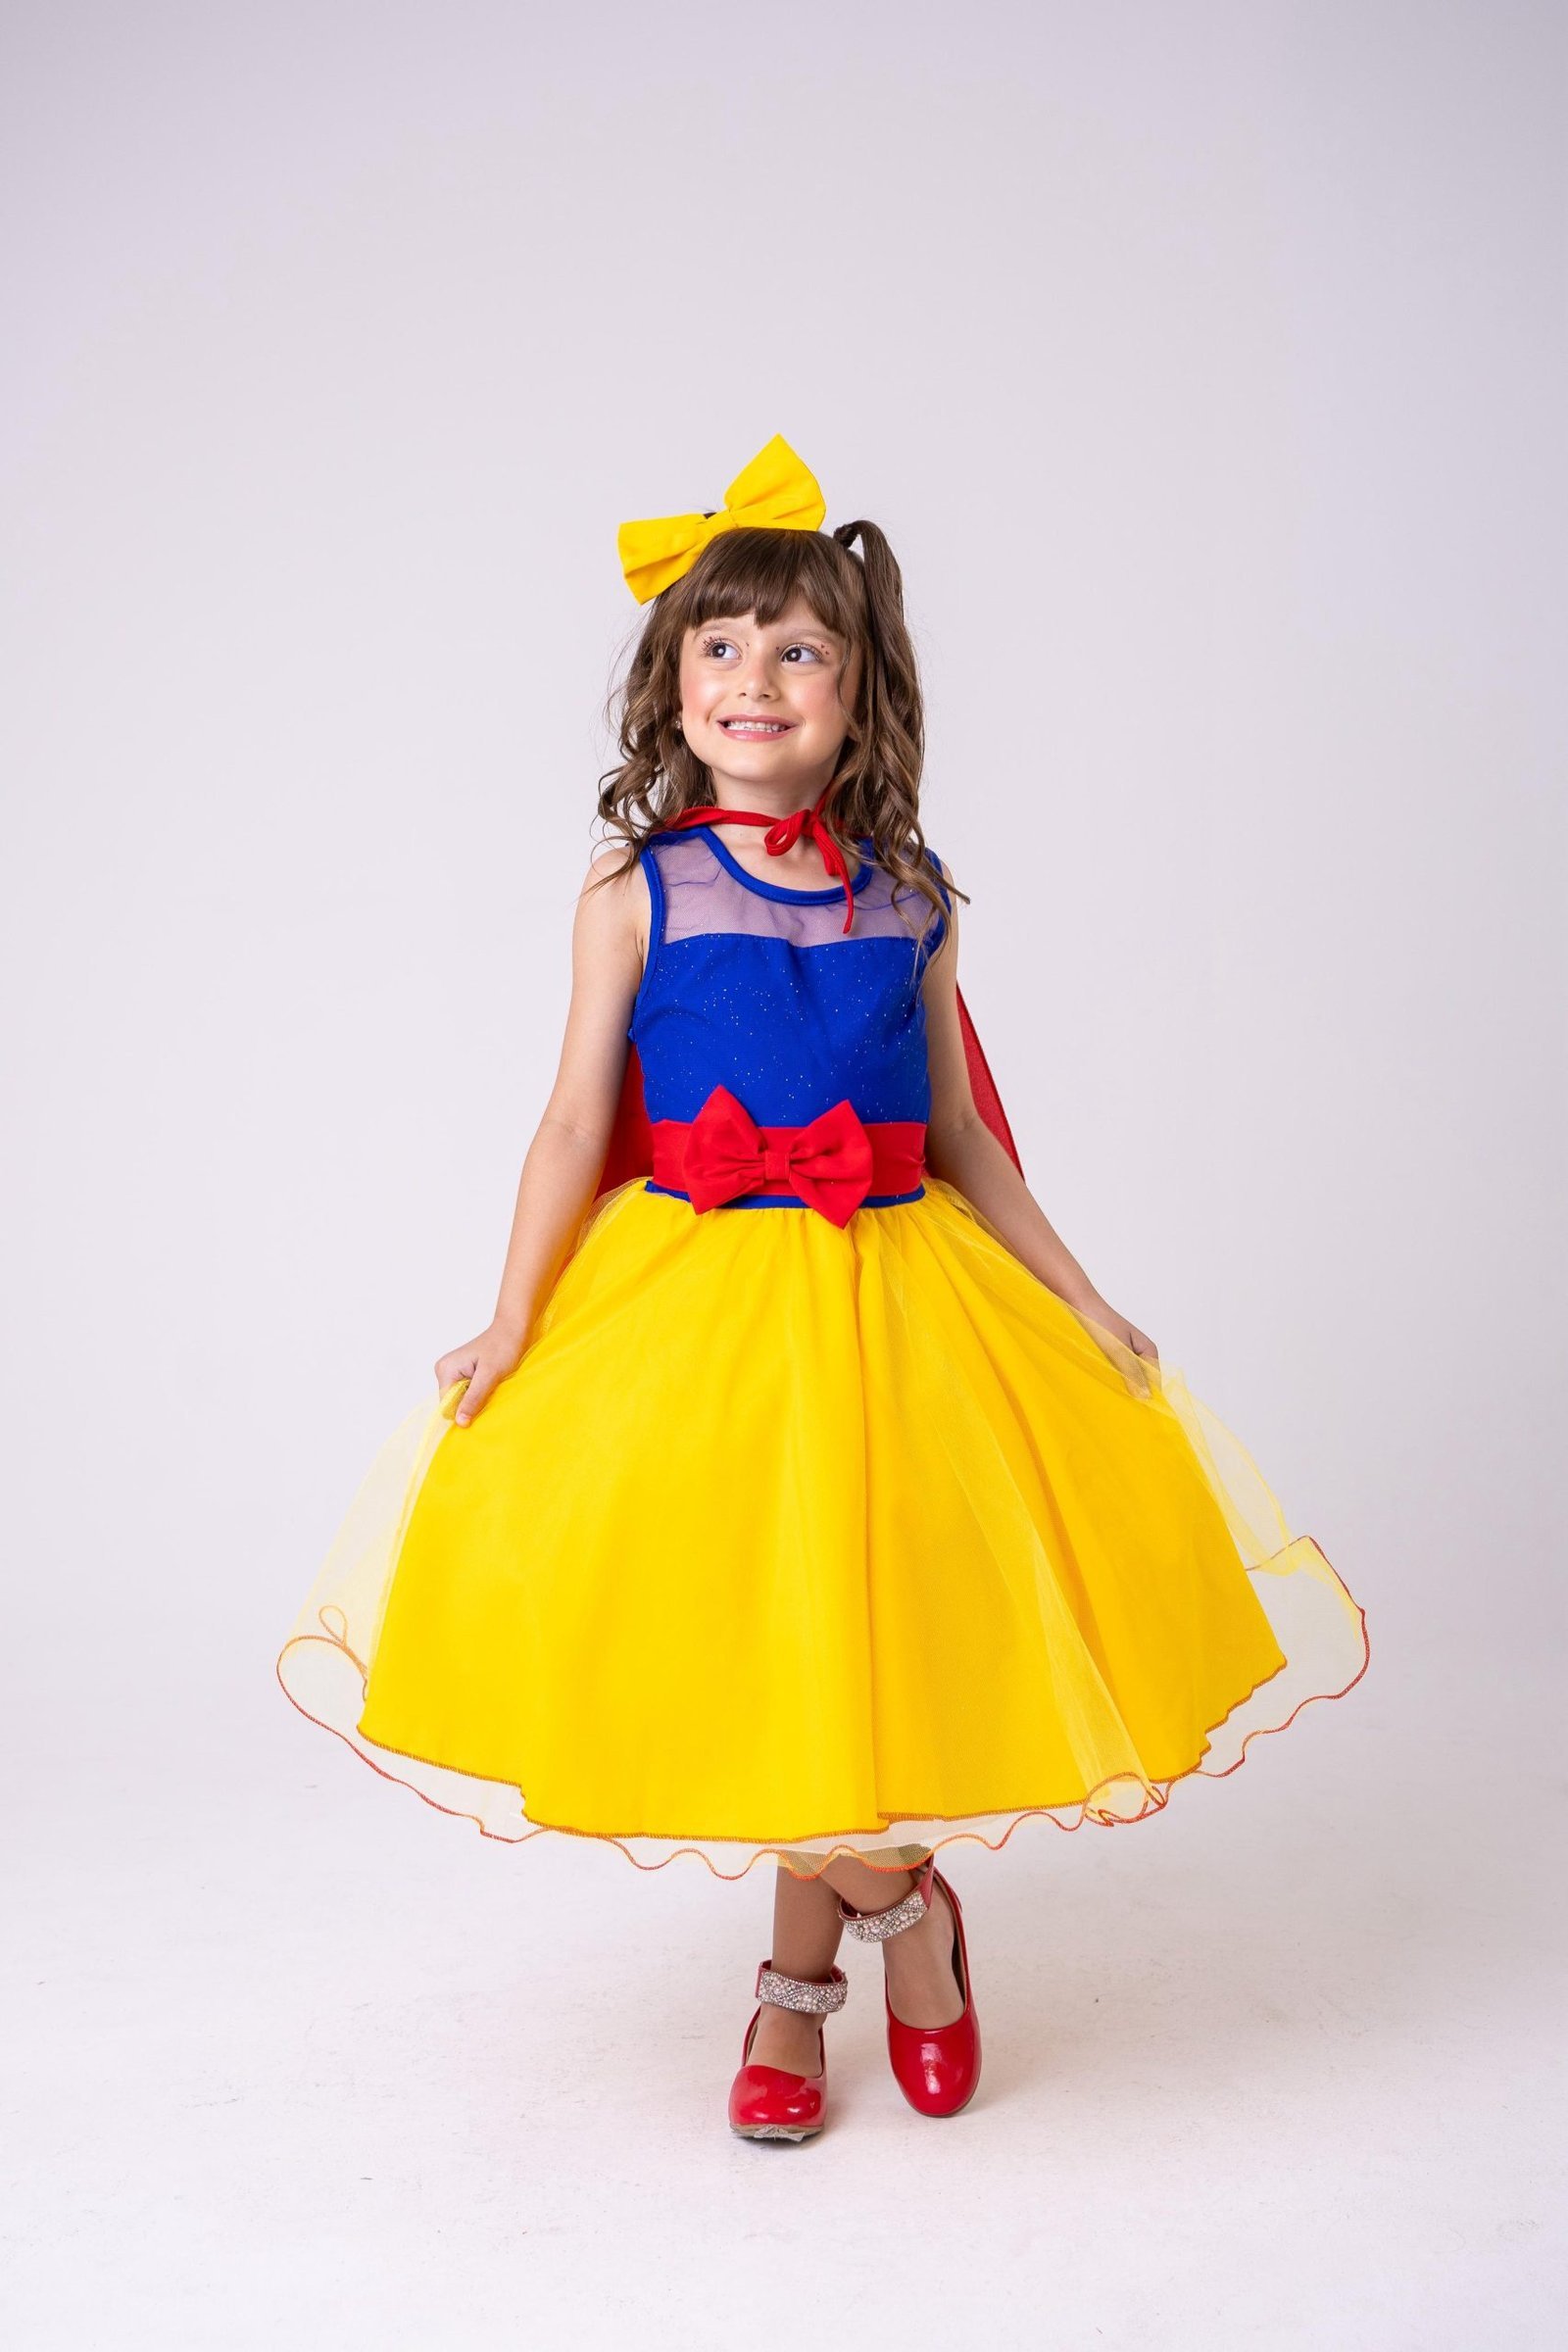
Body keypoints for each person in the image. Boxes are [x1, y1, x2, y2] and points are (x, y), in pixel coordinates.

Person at [276, 432, 1370, 2144]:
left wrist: (1084, 1302)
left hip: (900, 1308)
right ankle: (906, 1917)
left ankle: (794, 1989)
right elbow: (570, 1122)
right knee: (758, 1636)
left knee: (857, 1634)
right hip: (698, 1315)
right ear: (672, 683)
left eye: (798, 651)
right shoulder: (635, 888)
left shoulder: (912, 901)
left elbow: (965, 1136)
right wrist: (514, 1315)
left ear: (862, 698)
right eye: (719, 646)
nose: (754, 679)